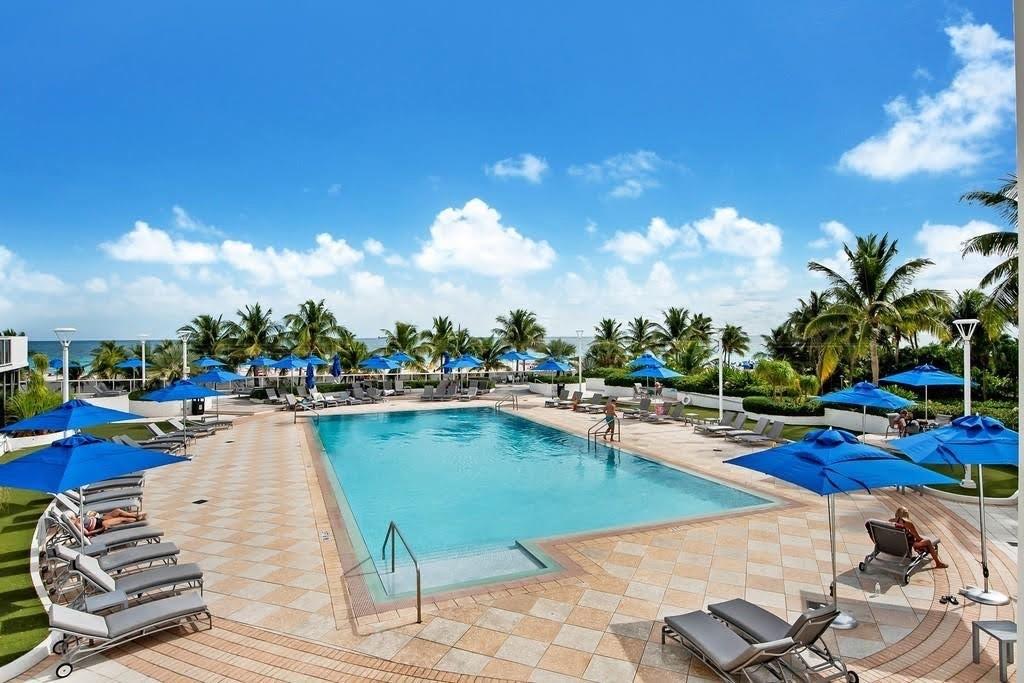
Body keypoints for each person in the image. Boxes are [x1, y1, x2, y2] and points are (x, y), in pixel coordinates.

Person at [72, 508, 147, 536]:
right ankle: (138, 519)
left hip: (99, 519)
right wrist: (102, 529)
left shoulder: (79, 518)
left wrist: (92, 515)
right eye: (71, 518)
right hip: (100, 525)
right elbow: (87, 533)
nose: (73, 517)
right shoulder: (77, 524)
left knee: (117, 511)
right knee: (121, 518)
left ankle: (134, 515)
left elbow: (90, 517)